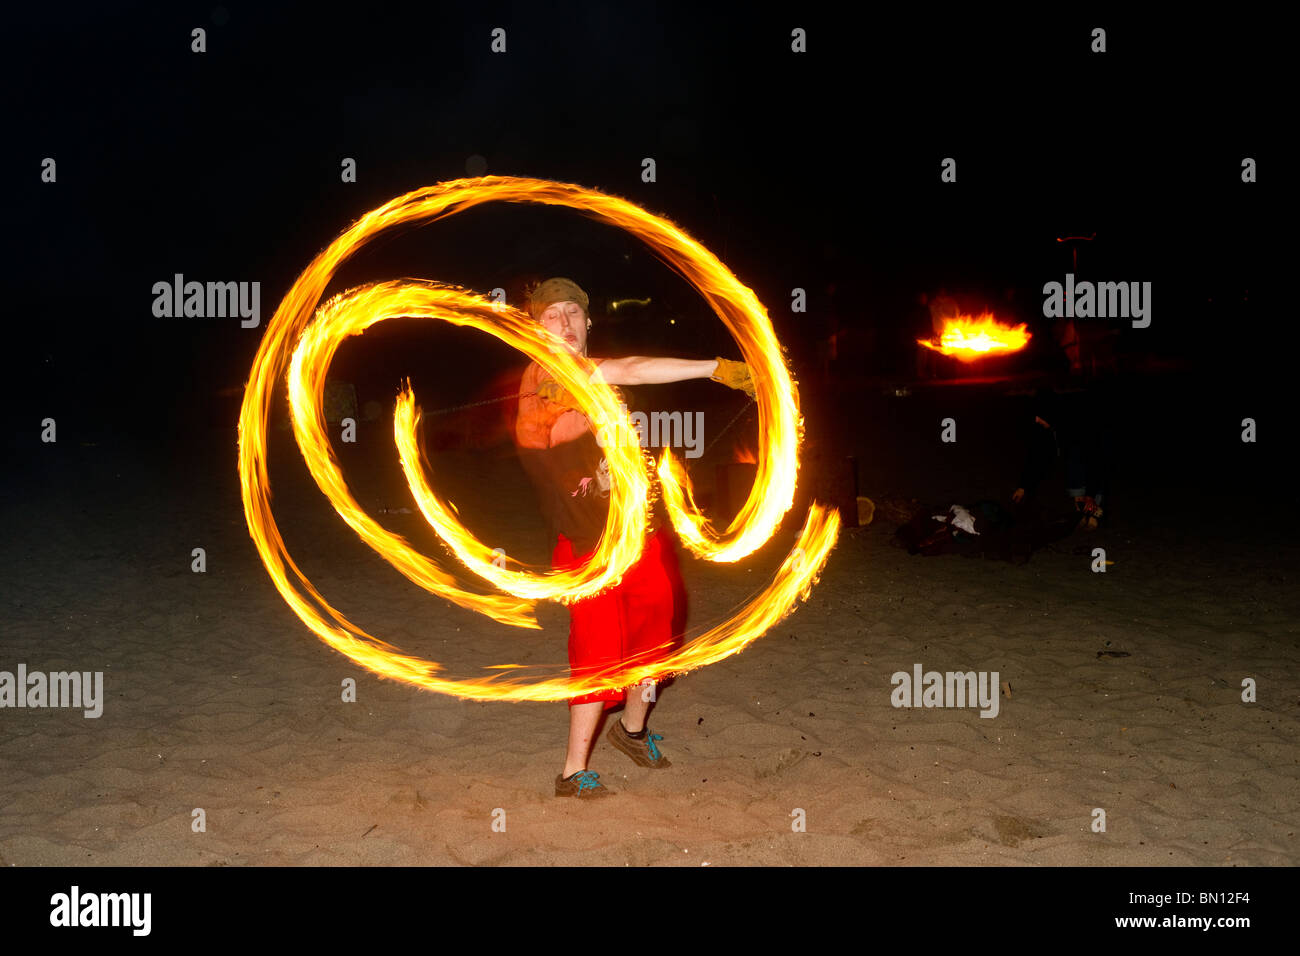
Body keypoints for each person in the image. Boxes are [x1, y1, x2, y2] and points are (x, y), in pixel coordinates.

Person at [513, 278, 756, 798]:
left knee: (654, 641)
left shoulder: (592, 380)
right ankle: (572, 772)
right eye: (552, 315)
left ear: (588, 320)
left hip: (639, 537)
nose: (565, 323)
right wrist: (712, 368)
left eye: (573, 313)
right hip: (588, 548)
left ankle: (632, 731)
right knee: (598, 656)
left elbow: (618, 385)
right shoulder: (539, 380)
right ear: (536, 328)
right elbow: (626, 371)